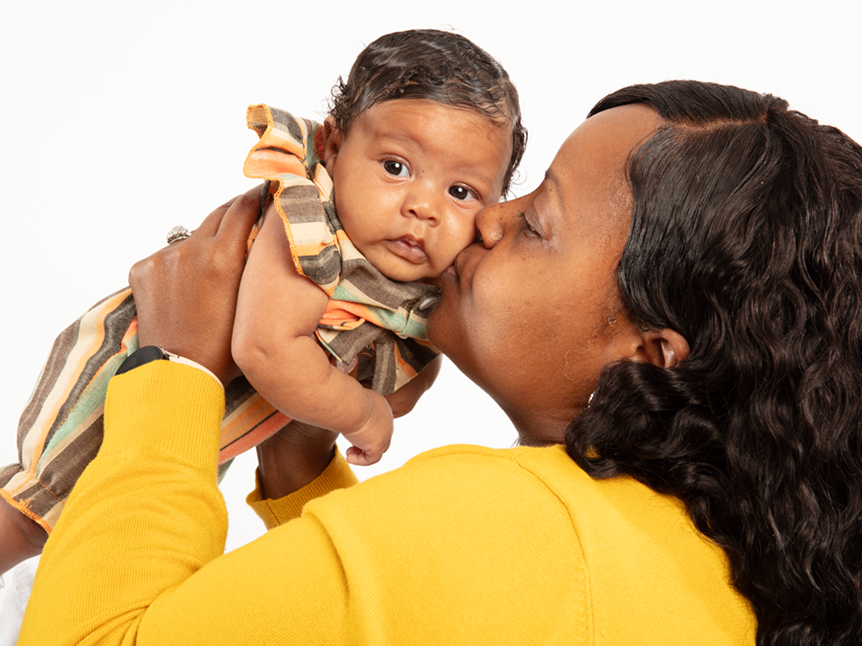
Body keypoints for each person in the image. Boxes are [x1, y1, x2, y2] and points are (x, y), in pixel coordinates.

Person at [19, 80, 862, 645]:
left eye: (537, 222)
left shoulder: (513, 521)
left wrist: (173, 368)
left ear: (652, 354)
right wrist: (302, 461)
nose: (489, 220)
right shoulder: (706, 565)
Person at [0, 28, 526, 575]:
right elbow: (267, 348)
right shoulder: (309, 221)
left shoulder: (412, 272)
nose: (424, 206)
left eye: (461, 192)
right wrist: (360, 410)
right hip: (124, 380)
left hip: (198, 416)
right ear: (333, 147)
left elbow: (410, 358)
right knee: (36, 516)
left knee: (118, 533)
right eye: (395, 167)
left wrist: (396, 383)